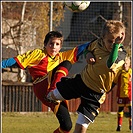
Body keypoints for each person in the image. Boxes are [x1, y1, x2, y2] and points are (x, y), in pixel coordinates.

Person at [2, 30, 90, 133]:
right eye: (51, 43)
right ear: (45, 44)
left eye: (57, 44)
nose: (53, 46)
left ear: (60, 47)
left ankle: (55, 92)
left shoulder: (60, 57)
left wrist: (96, 42)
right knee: (66, 63)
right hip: (42, 86)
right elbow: (17, 60)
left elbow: (79, 50)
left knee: (66, 126)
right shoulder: (38, 54)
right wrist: (2, 65)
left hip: (54, 92)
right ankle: (53, 91)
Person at [46, 20, 127, 133]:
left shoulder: (121, 54)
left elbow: (109, 63)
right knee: (52, 95)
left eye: (116, 42)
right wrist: (88, 55)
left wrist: (116, 45)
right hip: (82, 81)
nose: (112, 44)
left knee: (81, 128)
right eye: (110, 41)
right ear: (102, 37)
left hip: (95, 94)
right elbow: (87, 49)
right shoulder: (96, 43)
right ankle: (49, 93)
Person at [114, 57, 132, 131]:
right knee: (120, 110)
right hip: (121, 94)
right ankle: (119, 126)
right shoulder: (120, 73)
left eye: (126, 63)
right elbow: (115, 81)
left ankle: (131, 126)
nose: (125, 65)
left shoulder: (131, 72)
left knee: (131, 111)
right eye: (124, 63)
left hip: (129, 95)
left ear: (129, 64)